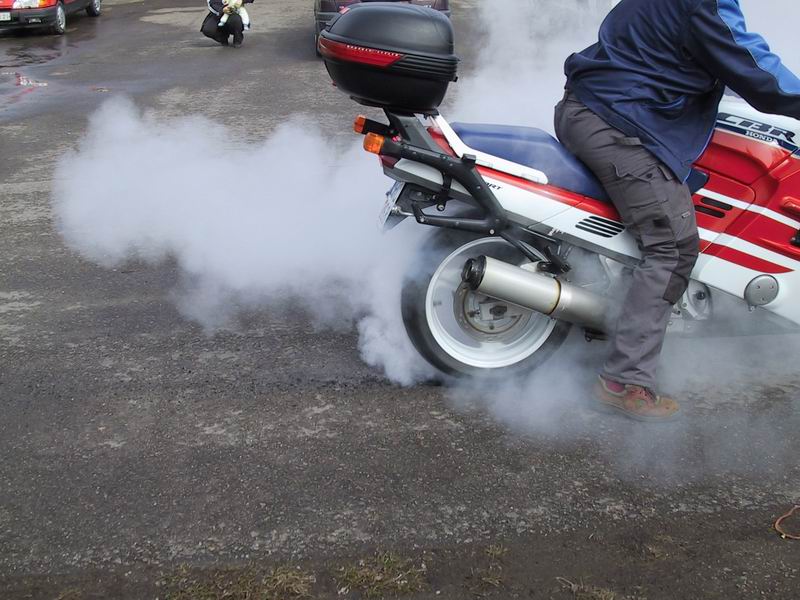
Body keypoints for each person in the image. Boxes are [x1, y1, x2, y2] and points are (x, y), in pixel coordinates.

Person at [554, 0, 800, 422]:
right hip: (618, 124)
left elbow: (701, 54)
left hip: (598, 109)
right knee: (672, 245)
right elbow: (755, 69)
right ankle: (624, 382)